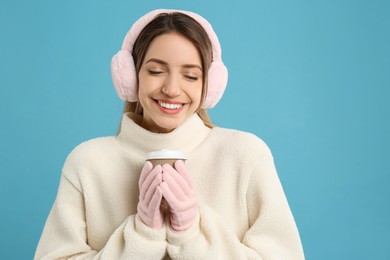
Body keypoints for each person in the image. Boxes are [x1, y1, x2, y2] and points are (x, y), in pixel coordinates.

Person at [35, 9, 305, 259]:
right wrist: (141, 236)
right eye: (156, 71)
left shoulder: (247, 155)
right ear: (130, 76)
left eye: (190, 76)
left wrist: (193, 234)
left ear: (209, 86)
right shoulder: (86, 162)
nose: (172, 89)